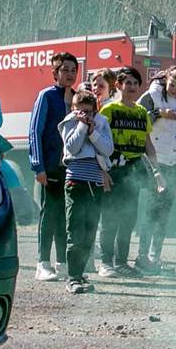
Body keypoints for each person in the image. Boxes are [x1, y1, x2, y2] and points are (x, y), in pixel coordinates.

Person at [98, 66, 158, 278]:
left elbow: (148, 145)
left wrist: (157, 171)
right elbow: (97, 142)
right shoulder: (108, 110)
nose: (131, 87)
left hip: (134, 172)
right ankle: (105, 262)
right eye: (128, 83)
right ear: (119, 85)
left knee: (128, 218)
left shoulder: (142, 113)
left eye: (135, 83)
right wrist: (102, 171)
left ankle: (122, 262)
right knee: (110, 218)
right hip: (113, 170)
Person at [135, 61, 176, 274]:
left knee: (164, 212)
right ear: (166, 80)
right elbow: (138, 118)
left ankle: (155, 256)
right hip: (153, 160)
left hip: (174, 162)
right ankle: (141, 256)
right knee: (150, 209)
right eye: (172, 85)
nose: (174, 90)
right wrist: (159, 114)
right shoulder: (152, 97)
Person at [58, 90, 114, 294]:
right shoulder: (69, 123)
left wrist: (92, 131)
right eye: (78, 111)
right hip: (75, 182)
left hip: (95, 183)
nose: (83, 115)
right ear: (73, 109)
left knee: (90, 232)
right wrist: (82, 126)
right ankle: (72, 277)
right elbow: (71, 148)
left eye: (88, 112)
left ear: (95, 110)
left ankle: (80, 273)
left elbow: (107, 149)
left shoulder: (101, 123)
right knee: (75, 231)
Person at [29, 52, 78, 282]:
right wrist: (38, 165)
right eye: (65, 69)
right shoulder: (46, 96)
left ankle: (62, 262)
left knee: (65, 215)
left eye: (73, 70)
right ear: (55, 73)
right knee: (49, 213)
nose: (69, 74)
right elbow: (35, 131)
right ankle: (42, 263)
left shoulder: (78, 98)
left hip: (71, 168)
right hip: (50, 166)